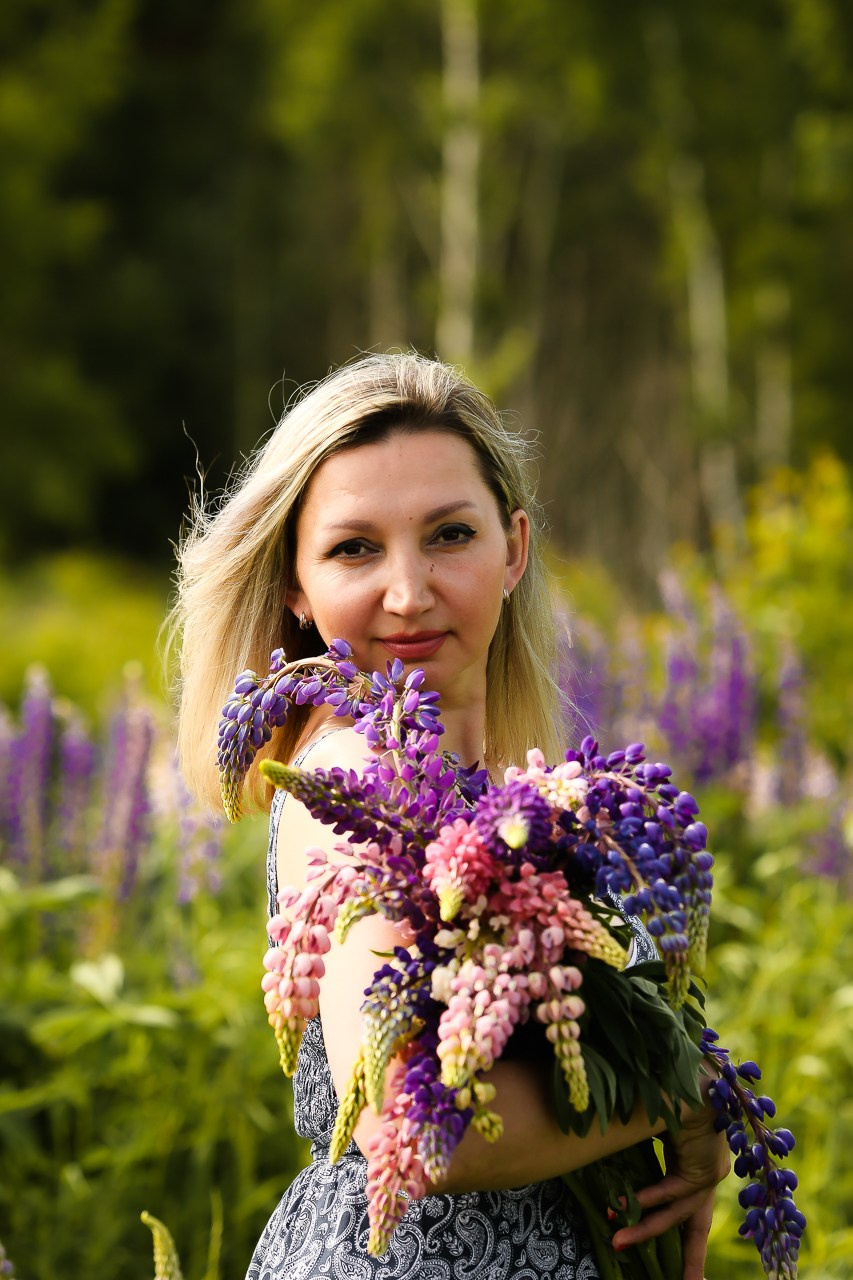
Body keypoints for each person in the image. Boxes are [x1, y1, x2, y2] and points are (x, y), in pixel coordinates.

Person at [174, 352, 729, 1280]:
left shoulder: (520, 796)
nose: (407, 591)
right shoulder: (353, 775)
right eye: (354, 548)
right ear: (295, 590)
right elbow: (412, 1128)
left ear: (512, 548)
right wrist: (691, 1089)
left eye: (448, 535)